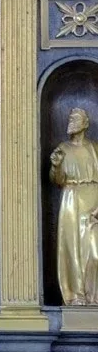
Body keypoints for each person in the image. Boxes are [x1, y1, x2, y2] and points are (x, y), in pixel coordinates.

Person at [50, 108, 98, 305]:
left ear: (85, 124)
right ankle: (76, 296)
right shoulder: (63, 148)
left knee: (94, 252)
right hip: (71, 199)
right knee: (71, 248)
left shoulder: (94, 148)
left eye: (75, 118)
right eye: (70, 118)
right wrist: (56, 166)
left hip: (93, 199)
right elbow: (58, 180)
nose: (71, 121)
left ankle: (94, 296)